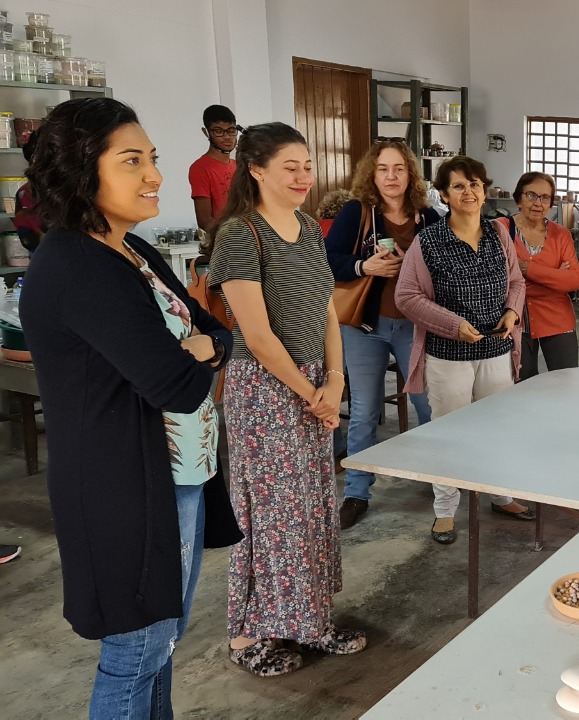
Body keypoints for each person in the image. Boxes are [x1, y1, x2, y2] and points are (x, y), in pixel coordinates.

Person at [20, 97, 241, 718]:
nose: (155, 176)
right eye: (132, 161)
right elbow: (177, 385)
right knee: (135, 654)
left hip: (179, 480)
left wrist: (201, 346)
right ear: (81, 170)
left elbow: (214, 331)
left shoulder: (129, 252)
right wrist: (199, 351)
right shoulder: (78, 266)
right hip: (127, 488)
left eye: (154, 158)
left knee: (161, 644)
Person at [208, 122, 365, 677]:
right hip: (266, 391)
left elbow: (326, 307)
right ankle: (248, 634)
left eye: (307, 166)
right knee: (270, 514)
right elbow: (256, 337)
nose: (303, 177)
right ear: (255, 170)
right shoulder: (238, 234)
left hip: (316, 382)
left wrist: (337, 380)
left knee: (314, 507)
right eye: (289, 167)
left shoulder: (304, 225)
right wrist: (313, 395)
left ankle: (308, 620)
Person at [396, 156, 535, 545]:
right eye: (458, 186)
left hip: (496, 350)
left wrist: (511, 311)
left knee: (499, 427)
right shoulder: (429, 241)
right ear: (443, 194)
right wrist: (453, 325)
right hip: (448, 356)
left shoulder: (498, 233)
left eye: (475, 184)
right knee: (449, 433)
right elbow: (407, 296)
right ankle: (445, 511)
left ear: (484, 190)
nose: (469, 192)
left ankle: (501, 494)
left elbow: (516, 282)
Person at [326, 138, 440, 529]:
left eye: (399, 168)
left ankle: (436, 478)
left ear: (410, 174)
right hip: (364, 326)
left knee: (428, 405)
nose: (391, 176)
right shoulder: (357, 213)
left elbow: (446, 266)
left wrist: (417, 268)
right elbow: (329, 259)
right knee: (364, 411)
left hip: (414, 325)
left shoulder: (427, 217)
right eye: (383, 169)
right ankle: (356, 492)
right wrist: (363, 267)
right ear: (371, 175)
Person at [501, 171, 579, 380]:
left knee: (566, 383)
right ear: (519, 198)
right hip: (516, 320)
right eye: (531, 195)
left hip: (558, 319)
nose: (538, 203)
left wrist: (526, 269)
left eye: (545, 197)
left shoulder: (561, 234)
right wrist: (554, 276)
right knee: (524, 386)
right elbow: (499, 277)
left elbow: (573, 280)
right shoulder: (501, 229)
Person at [190, 104, 239, 234]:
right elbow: (204, 220)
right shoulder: (200, 168)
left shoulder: (238, 165)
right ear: (206, 132)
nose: (227, 137)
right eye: (218, 131)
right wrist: (231, 239)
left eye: (231, 130)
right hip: (223, 242)